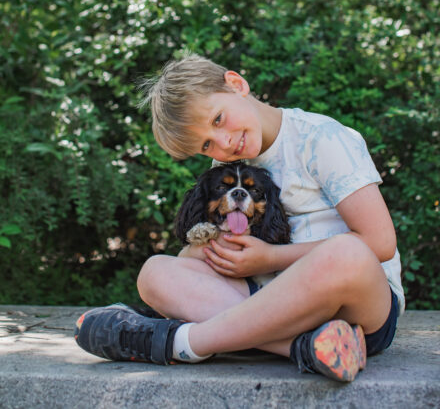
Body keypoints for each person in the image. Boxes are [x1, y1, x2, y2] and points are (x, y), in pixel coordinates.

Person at [75, 54, 404, 382]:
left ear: (236, 85)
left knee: (345, 254)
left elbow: (380, 243)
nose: (224, 143)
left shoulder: (320, 139)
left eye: (218, 119)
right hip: (266, 307)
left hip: (358, 308)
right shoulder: (226, 169)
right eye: (207, 144)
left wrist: (270, 259)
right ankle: (304, 347)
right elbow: (208, 257)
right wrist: (215, 252)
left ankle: (180, 342)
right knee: (155, 273)